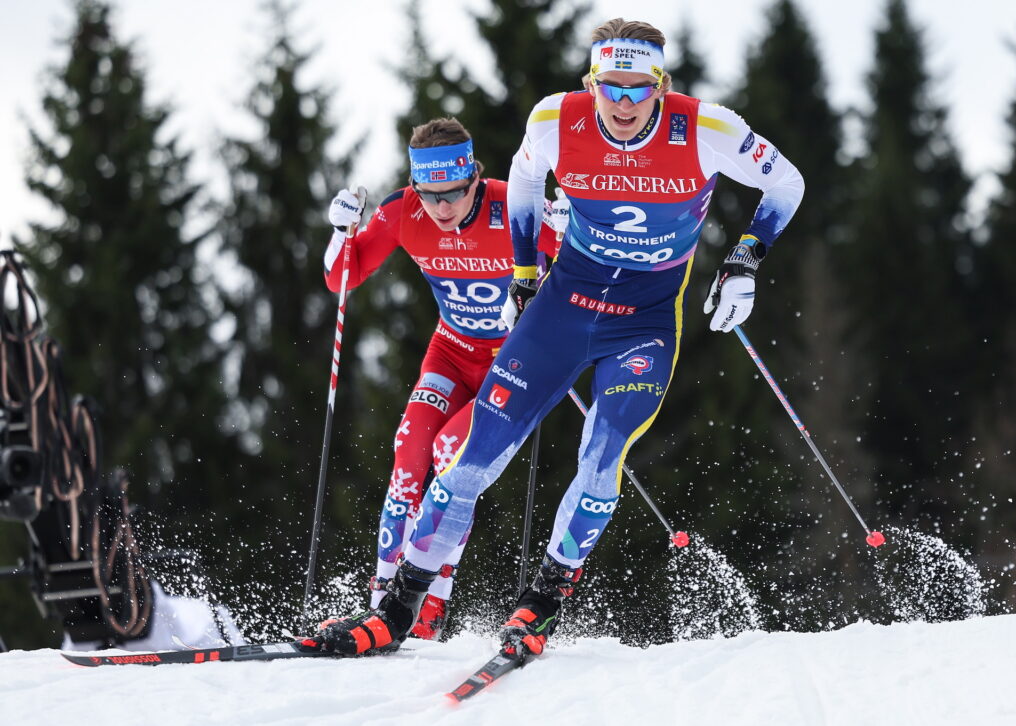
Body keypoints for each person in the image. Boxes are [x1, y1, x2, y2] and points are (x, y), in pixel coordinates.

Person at [305, 18, 803, 658]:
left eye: (638, 88)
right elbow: (523, 179)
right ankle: (396, 610)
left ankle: (539, 605)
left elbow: (785, 182)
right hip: (562, 308)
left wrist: (744, 261)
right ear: (590, 82)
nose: (623, 105)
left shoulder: (707, 129)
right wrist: (523, 273)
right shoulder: (554, 121)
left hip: (644, 321)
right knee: (473, 457)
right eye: (609, 87)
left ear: (660, 84)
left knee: (602, 452)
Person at [317, 118, 558, 641]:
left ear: (475, 176)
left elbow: (583, 274)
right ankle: (383, 604)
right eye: (430, 194)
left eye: (454, 192)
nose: (442, 208)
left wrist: (564, 229)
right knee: (410, 450)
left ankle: (426, 612)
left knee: (453, 454)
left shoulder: (513, 204)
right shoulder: (403, 209)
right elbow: (343, 277)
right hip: (450, 352)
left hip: (514, 363)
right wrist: (342, 234)